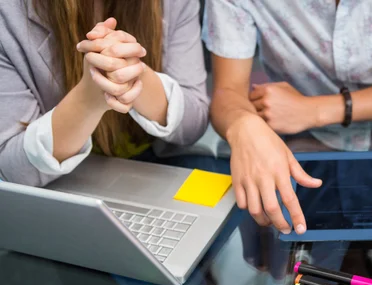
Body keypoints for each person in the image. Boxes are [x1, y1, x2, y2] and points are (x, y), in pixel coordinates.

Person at [203, 0, 372, 238]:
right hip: (308, 144)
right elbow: (228, 92)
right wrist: (244, 124)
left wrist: (315, 111)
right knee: (287, 249)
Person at [0, 0, 222, 187]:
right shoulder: (8, 13)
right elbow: (11, 170)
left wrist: (137, 76)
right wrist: (88, 100)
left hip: (156, 170)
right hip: (60, 185)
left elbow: (194, 123)